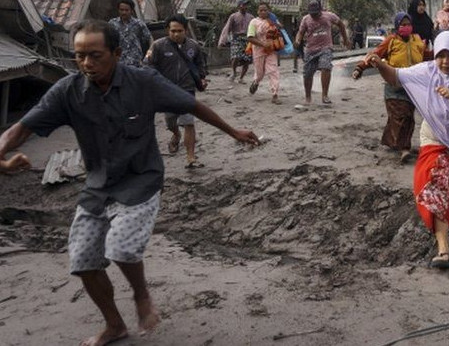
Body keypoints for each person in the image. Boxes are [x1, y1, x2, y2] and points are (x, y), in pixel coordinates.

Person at [0, 20, 259, 346]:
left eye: (95, 56)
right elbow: (22, 127)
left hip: (141, 180)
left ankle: (141, 295)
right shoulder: (69, 92)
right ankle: (114, 325)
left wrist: (233, 131)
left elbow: (192, 105)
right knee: (82, 261)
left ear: (117, 53)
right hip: (98, 185)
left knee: (121, 246)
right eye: (79, 56)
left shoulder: (143, 82)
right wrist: (4, 152)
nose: (86, 64)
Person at [366, 31, 449, 269]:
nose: (445, 62)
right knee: (435, 184)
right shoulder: (427, 70)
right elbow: (395, 77)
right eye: (441, 56)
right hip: (434, 134)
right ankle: (444, 250)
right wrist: (379, 64)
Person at [352, 13, 432, 163]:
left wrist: (442, 55)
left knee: (406, 116)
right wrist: (360, 68)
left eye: (408, 24)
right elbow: (374, 55)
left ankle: (394, 142)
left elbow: (426, 55)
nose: (406, 27)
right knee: (401, 116)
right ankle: (405, 148)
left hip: (413, 86)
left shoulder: (417, 40)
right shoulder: (391, 41)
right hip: (394, 85)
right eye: (403, 24)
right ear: (397, 26)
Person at [145, 14, 208, 169]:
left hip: (187, 90)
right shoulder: (158, 46)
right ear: (168, 30)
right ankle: (176, 134)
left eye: (179, 31)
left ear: (185, 30)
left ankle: (190, 157)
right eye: (173, 31)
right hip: (166, 91)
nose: (176, 34)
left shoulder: (194, 46)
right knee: (171, 121)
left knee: (188, 122)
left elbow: (200, 65)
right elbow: (148, 65)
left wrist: (202, 78)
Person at [296, 0, 349, 105]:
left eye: (316, 13)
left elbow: (341, 25)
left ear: (320, 9)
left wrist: (346, 39)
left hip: (326, 48)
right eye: (312, 13)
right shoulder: (306, 19)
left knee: (325, 67)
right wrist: (297, 40)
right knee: (307, 74)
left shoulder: (329, 16)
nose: (314, 15)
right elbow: (300, 32)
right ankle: (308, 97)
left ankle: (325, 95)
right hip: (310, 49)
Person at [247, 2, 283, 104]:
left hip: (271, 51)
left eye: (265, 10)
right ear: (257, 12)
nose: (263, 12)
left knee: (273, 71)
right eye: (261, 10)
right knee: (260, 73)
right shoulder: (253, 22)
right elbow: (250, 37)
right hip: (258, 50)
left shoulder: (272, 21)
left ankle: (275, 94)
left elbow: (280, 29)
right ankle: (256, 82)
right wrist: (263, 44)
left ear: (268, 11)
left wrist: (278, 25)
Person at [216, 0, 254, 83]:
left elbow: (256, 29)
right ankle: (234, 72)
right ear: (239, 6)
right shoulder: (233, 16)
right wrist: (222, 41)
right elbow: (227, 29)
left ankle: (241, 78)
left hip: (248, 39)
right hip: (236, 38)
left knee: (247, 60)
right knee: (235, 56)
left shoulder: (251, 17)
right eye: (244, 5)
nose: (245, 7)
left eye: (246, 5)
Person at [108, 0, 151, 67]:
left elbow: (149, 39)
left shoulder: (139, 24)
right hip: (119, 62)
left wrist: (147, 56)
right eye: (121, 10)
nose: (124, 12)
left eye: (126, 10)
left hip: (136, 61)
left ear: (131, 11)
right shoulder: (112, 24)